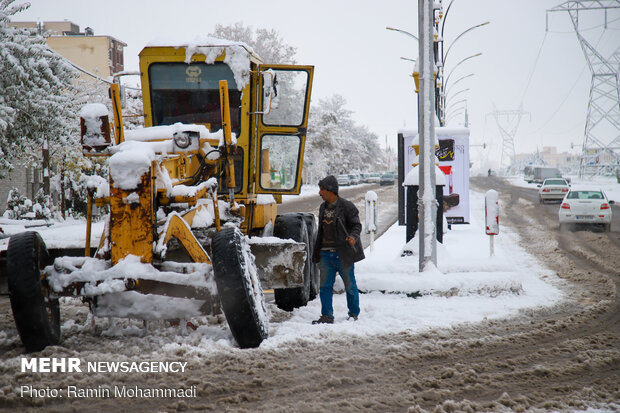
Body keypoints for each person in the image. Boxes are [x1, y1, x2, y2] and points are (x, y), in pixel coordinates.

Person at [312, 175, 365, 324]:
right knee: (325, 287)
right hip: (325, 255)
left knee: (350, 285)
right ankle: (327, 316)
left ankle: (353, 314)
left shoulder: (347, 207)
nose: (319, 193)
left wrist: (353, 237)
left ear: (330, 190)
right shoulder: (323, 207)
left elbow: (357, 226)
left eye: (321, 189)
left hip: (343, 254)